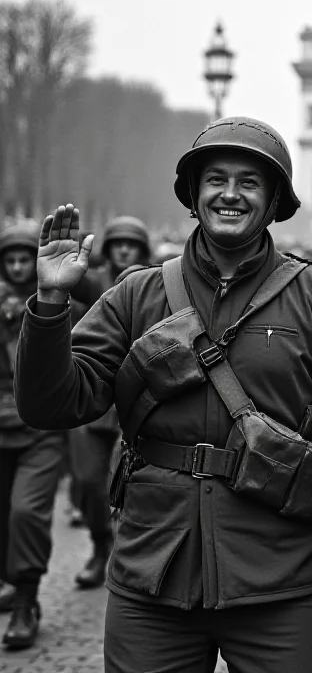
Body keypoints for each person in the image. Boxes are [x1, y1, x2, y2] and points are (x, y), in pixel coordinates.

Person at [14, 116, 312, 672]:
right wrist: (50, 305)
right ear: (194, 193)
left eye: (250, 182)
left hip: (284, 576)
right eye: (216, 178)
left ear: (273, 202)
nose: (230, 194)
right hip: (154, 571)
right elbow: (51, 404)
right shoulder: (136, 294)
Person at [0, 223, 75, 648]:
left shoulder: (55, 305)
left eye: (22, 259)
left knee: (26, 512)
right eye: (8, 261)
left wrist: (31, 314)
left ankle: (26, 600)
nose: (15, 268)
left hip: (38, 430)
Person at [70, 216, 152, 589]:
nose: (123, 250)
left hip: (130, 409)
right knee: (87, 482)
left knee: (129, 487)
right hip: (93, 404)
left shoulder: (153, 286)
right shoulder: (93, 283)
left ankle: (122, 554)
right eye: (117, 243)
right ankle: (99, 545)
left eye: (130, 244)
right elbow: (64, 279)